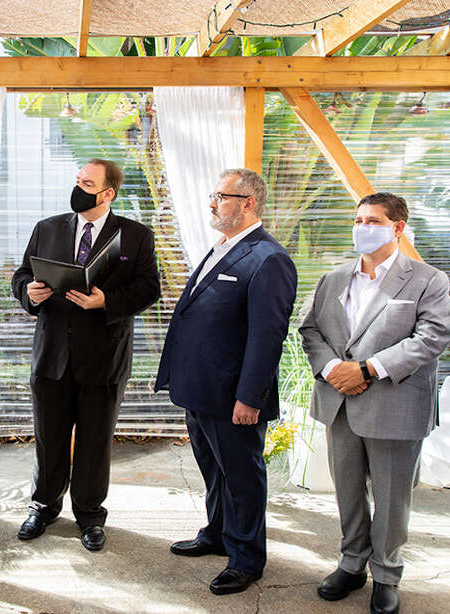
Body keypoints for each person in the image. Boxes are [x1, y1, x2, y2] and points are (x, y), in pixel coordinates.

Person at [300, 192, 450, 614]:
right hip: (339, 403)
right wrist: (333, 367)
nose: (362, 228)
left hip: (394, 403)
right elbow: (309, 329)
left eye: (372, 221)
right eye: (358, 220)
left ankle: (386, 574)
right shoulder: (333, 278)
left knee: (390, 498)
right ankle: (351, 564)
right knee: (347, 492)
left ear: (397, 228)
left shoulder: (427, 279)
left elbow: (432, 338)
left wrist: (367, 369)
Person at [155, 168, 296, 595]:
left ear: (248, 202)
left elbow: (267, 336)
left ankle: (247, 558)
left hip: (233, 394)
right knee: (214, 472)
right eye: (212, 194)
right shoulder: (223, 246)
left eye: (221, 195)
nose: (212, 202)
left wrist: (250, 397)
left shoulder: (268, 258)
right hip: (199, 388)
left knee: (241, 477)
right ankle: (216, 534)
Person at [11, 158, 160, 552]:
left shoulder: (137, 236)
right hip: (52, 357)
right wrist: (29, 292)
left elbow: (149, 289)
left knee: (95, 443)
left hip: (104, 359)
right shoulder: (47, 228)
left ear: (108, 192)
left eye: (88, 182)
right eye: (77, 180)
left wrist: (106, 300)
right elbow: (21, 276)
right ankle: (43, 507)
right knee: (49, 439)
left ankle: (90, 517)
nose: (78, 187)